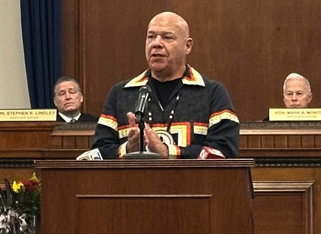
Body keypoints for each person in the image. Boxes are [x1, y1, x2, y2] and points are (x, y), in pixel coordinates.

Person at [91, 11, 239, 158]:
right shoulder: (121, 93)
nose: (156, 43)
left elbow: (224, 153)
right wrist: (128, 149)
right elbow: (97, 155)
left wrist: (168, 152)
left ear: (187, 46)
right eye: (151, 37)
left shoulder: (213, 93)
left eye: (167, 37)